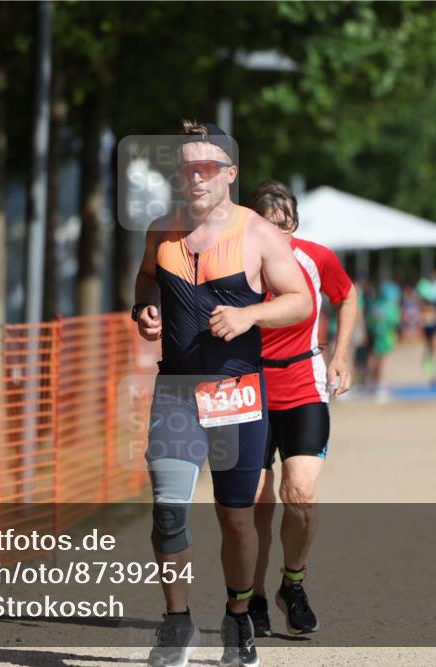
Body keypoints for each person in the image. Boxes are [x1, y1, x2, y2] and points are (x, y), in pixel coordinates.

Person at [133, 122, 312, 667]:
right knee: (167, 511)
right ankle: (176, 624)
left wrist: (250, 313)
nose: (195, 176)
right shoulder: (161, 232)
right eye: (185, 167)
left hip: (237, 393)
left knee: (236, 518)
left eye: (206, 167)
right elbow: (145, 279)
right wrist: (144, 308)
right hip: (176, 392)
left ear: (230, 174)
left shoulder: (258, 233)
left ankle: (238, 616)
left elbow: (300, 300)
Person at [245, 180, 356, 637]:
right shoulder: (235, 262)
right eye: (269, 227)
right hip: (249, 383)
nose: (279, 237)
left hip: (302, 382)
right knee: (254, 504)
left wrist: (342, 354)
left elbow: (347, 295)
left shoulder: (316, 257)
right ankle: (250, 598)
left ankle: (292, 583)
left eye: (286, 227)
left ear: (296, 225)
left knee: (302, 494)